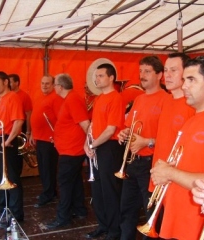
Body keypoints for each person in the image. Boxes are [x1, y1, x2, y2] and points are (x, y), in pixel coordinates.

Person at [150, 55, 204, 240]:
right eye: (184, 80)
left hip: (199, 229)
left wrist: (169, 173)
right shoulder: (191, 121)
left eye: (191, 80)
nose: (184, 86)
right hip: (177, 221)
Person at [118, 56, 169, 240]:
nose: (142, 75)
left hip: (151, 164)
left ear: (160, 75)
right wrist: (125, 133)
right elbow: (130, 126)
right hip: (133, 162)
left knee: (151, 214)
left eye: (147, 71)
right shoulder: (138, 99)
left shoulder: (167, 100)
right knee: (127, 209)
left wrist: (146, 141)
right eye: (140, 71)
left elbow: (169, 138)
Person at [147, 53, 195, 236]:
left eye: (173, 70)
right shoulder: (166, 100)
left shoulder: (192, 105)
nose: (167, 75)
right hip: (158, 177)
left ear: (186, 73)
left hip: (176, 182)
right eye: (166, 70)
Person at [84, 63, 125, 240]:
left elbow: (110, 130)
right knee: (97, 190)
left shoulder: (116, 98)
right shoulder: (99, 98)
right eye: (96, 76)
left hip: (109, 148)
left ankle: (114, 230)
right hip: (97, 146)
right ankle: (103, 225)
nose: (96, 78)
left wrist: (93, 146)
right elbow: (93, 125)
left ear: (111, 78)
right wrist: (87, 143)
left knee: (109, 190)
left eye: (101, 75)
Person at [45, 73, 90, 229]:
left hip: (72, 151)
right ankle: (80, 210)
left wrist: (89, 145)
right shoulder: (71, 99)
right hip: (70, 149)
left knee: (64, 184)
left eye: (55, 84)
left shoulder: (73, 99)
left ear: (60, 86)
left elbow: (85, 124)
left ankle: (63, 217)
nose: (53, 87)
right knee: (75, 181)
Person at [30, 75, 63, 208]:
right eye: (42, 83)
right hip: (39, 138)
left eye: (47, 84)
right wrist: (32, 133)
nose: (44, 85)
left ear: (53, 85)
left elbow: (60, 119)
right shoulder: (39, 97)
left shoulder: (56, 98)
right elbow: (35, 116)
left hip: (49, 140)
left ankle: (48, 194)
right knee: (43, 168)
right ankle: (49, 191)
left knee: (48, 169)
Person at [0, 71, 24, 222]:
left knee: (12, 178)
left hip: (7, 140)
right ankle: (2, 208)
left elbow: (19, 120)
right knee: (1, 178)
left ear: (5, 82)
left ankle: (16, 214)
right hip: (1, 139)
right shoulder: (1, 99)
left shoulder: (13, 98)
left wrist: (7, 142)